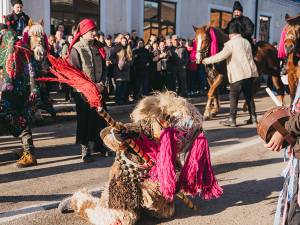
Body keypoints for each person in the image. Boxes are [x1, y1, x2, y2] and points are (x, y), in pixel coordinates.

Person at [202, 19, 258, 127]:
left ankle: (232, 119)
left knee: (233, 96)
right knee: (249, 96)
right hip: (250, 73)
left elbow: (221, 56)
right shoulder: (246, 41)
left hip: (238, 74)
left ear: (231, 33)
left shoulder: (230, 43)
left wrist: (207, 60)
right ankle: (253, 117)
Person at [69, 19, 108, 162]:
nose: (94, 33)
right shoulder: (76, 48)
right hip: (82, 93)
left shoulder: (98, 47)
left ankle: (100, 145)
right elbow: (74, 73)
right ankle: (85, 150)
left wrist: (102, 83)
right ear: (84, 32)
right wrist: (91, 86)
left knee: (100, 118)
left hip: (99, 89)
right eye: (91, 30)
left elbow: (104, 69)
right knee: (85, 120)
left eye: (95, 30)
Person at [0, 30, 38, 167]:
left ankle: (29, 153)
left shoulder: (10, 48)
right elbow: (33, 70)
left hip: (12, 92)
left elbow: (7, 72)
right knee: (20, 118)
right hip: (24, 90)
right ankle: (27, 149)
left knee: (18, 120)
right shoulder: (23, 46)